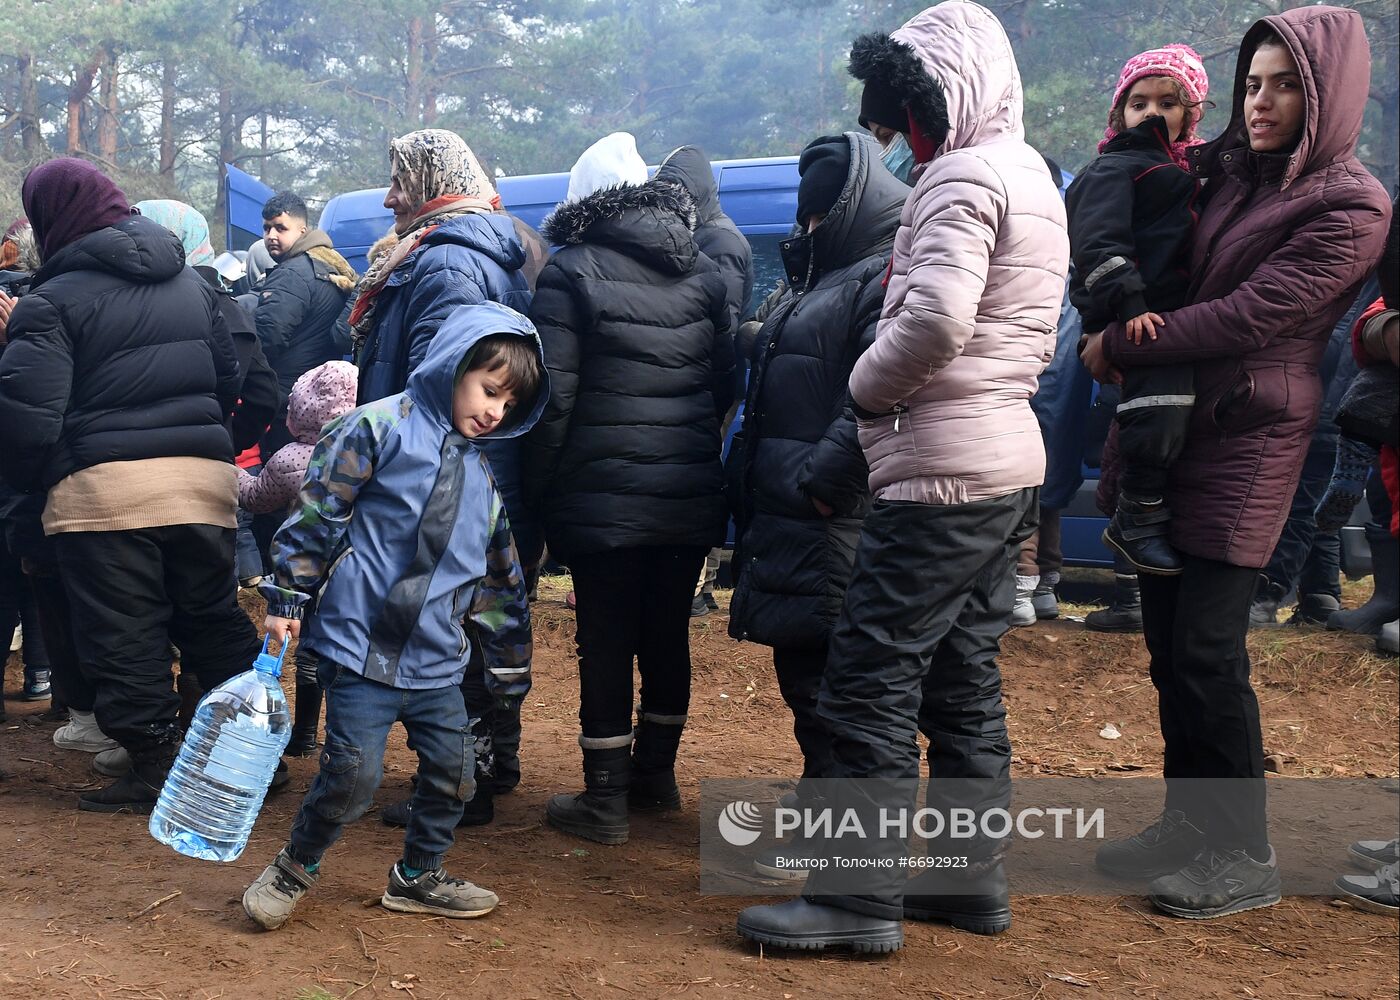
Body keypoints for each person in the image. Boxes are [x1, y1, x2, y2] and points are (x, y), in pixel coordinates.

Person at [737, 1, 1068, 953]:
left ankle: (854, 899)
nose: (900, 136)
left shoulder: (962, 176)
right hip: (1006, 463)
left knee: (868, 679)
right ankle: (969, 881)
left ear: (944, 94)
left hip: (936, 474)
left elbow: (934, 321)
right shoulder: (1033, 179)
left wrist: (864, 389)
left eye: (906, 110)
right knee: (963, 677)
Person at [1082, 7, 1391, 919]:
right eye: (1253, 83)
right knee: (1166, 647)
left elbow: (1255, 313)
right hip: (1174, 430)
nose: (1262, 102)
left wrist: (1124, 342)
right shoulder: (1217, 174)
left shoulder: (1351, 203)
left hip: (1253, 432)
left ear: (1328, 93)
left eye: (1286, 83)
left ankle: (1244, 852)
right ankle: (1190, 822)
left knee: (1211, 650)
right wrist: (1105, 314)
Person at [241, 301, 544, 930]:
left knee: (456, 776)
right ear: (453, 365)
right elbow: (318, 514)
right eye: (489, 391)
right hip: (360, 648)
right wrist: (287, 600)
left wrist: (510, 668)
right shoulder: (376, 428)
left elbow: (500, 578)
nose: (494, 412)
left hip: (438, 661)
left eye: (509, 405)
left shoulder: (482, 478)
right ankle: (295, 864)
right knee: (353, 777)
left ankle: (418, 875)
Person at [0, 158, 263, 813]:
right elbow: (230, 381)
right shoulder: (194, 285)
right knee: (211, 618)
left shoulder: (49, 302)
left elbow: (28, 423)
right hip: (203, 482)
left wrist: (35, 486)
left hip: (103, 495)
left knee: (127, 632)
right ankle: (245, 756)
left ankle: (154, 765)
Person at [524, 131, 733, 846]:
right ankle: (657, 779)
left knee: (606, 639)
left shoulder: (570, 271)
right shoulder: (705, 274)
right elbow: (726, 383)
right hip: (688, 487)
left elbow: (553, 399)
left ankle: (605, 800)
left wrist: (540, 494)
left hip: (600, 491)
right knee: (667, 633)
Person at [726, 131, 905, 879]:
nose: (803, 228)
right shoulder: (816, 276)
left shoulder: (879, 277)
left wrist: (828, 482)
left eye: (814, 215)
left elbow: (880, 388)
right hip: (792, 511)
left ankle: (836, 844)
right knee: (806, 673)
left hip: (833, 514)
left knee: (834, 681)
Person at [349, 128, 537, 826]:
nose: (391, 194)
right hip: (473, 470)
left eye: (403, 179)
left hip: (444, 474)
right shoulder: (472, 249)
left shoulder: (445, 262)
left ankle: (463, 786)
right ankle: (489, 767)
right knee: (477, 620)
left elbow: (447, 384)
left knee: (450, 622)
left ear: (436, 181)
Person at [1068, 44, 1211, 577]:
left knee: (1168, 410)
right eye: (1138, 103)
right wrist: (1125, 303)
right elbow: (1097, 243)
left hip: (1172, 315)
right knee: (1160, 403)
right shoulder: (1117, 167)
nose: (1152, 113)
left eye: (1168, 103)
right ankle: (1137, 515)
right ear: (1119, 113)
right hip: (1137, 317)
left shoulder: (1187, 174)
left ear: (1190, 114)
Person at [237, 359, 358, 757]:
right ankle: (347, 739)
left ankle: (304, 734)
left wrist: (230, 473)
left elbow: (254, 498)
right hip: (358, 569)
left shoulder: (290, 459)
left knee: (309, 649)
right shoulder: (370, 449)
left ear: (297, 411)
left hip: (306, 568)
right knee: (350, 648)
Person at [655, 144, 754, 618]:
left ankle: (700, 585)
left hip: (710, 382)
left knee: (700, 476)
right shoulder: (706, 234)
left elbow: (724, 325)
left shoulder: (722, 242)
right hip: (700, 379)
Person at [255, 191, 357, 452]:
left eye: (280, 228)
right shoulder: (332, 266)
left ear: (302, 229)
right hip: (322, 396)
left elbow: (269, 338)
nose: (271, 236)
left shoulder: (292, 273)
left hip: (287, 398)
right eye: (266, 228)